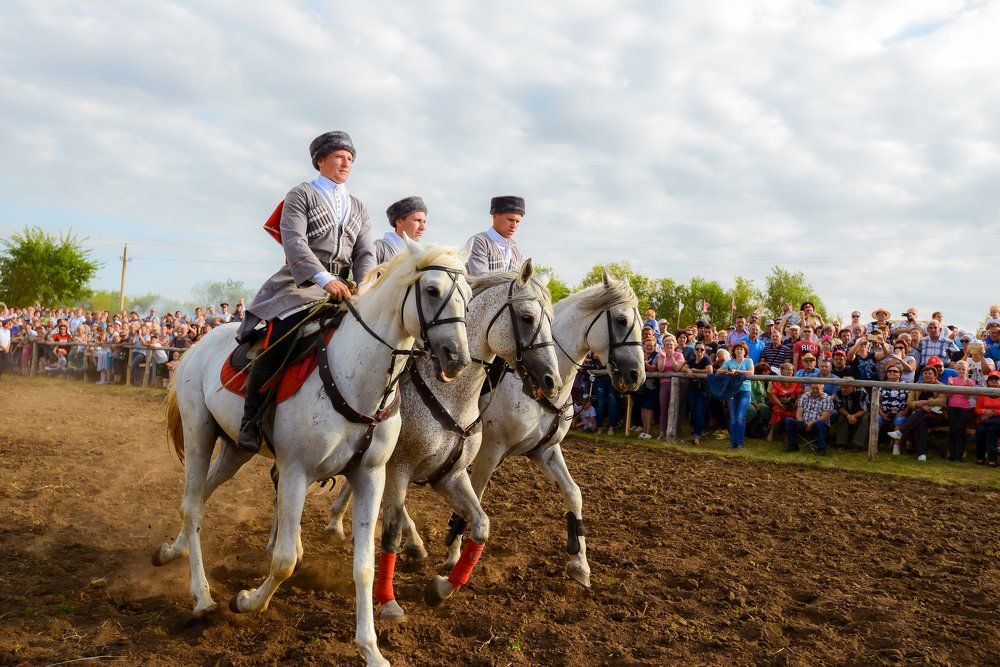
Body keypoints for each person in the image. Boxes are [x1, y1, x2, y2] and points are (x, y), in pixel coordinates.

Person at [234, 131, 373, 453]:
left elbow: (365, 254)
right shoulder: (301, 194)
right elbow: (295, 243)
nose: (346, 163)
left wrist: (365, 286)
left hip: (346, 287)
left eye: (350, 158)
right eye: (339, 156)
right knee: (281, 338)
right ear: (320, 160)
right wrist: (324, 279)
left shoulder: (358, 206)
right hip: (300, 284)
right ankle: (251, 422)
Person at [888, 366, 946, 461]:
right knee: (921, 423)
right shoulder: (916, 386)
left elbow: (942, 401)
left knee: (922, 412)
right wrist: (920, 404)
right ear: (922, 375)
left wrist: (927, 403)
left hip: (937, 416)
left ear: (935, 376)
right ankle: (921, 454)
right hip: (920, 417)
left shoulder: (941, 386)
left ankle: (901, 432)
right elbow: (910, 403)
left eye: (930, 373)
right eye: (925, 373)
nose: (927, 375)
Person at [464, 196, 524, 276]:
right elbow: (481, 280)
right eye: (510, 220)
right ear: (495, 216)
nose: (514, 225)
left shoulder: (516, 251)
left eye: (517, 221)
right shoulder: (479, 242)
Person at [720, 341, 753, 449]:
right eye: (737, 349)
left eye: (741, 349)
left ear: (745, 351)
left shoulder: (748, 360)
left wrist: (738, 372)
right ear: (734, 351)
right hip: (732, 391)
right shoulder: (730, 361)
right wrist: (728, 371)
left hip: (745, 391)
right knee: (733, 417)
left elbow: (751, 372)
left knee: (740, 416)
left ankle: (739, 443)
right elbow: (718, 371)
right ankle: (732, 442)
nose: (739, 351)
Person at [375, 196, 428, 263]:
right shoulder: (378, 250)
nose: (423, 228)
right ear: (399, 222)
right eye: (417, 220)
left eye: (424, 222)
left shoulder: (422, 257)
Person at [784, 383, 833, 455]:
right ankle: (792, 446)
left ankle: (821, 449)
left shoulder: (827, 399)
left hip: (817, 425)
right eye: (813, 388)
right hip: (803, 424)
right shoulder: (805, 396)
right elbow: (799, 411)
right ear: (810, 388)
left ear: (822, 388)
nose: (815, 390)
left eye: (817, 388)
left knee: (821, 423)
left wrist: (811, 423)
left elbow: (824, 416)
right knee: (788, 420)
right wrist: (801, 422)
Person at [656, 335, 689, 440]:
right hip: (664, 384)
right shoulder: (661, 355)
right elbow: (660, 369)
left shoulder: (679, 355)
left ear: (674, 345)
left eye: (671, 345)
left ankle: (674, 431)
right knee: (663, 408)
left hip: (676, 385)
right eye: (666, 345)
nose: (669, 347)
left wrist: (671, 357)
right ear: (664, 346)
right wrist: (665, 357)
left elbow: (677, 368)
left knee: (674, 408)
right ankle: (662, 432)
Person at [945, 360, 975, 462]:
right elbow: (948, 396)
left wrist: (966, 386)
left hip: (964, 409)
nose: (961, 371)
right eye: (959, 369)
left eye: (963, 369)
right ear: (956, 369)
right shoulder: (951, 379)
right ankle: (952, 455)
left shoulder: (970, 382)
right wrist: (950, 386)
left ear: (967, 370)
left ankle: (959, 456)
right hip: (952, 407)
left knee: (961, 431)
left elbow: (967, 397)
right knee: (953, 430)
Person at [686, 342, 714, 445]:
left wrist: (695, 370)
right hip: (692, 389)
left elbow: (709, 370)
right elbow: (683, 368)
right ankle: (696, 431)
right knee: (693, 412)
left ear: (704, 351)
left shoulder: (706, 359)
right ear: (694, 350)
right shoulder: (691, 360)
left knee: (699, 412)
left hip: (703, 390)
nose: (699, 351)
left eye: (702, 349)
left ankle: (697, 437)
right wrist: (688, 369)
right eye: (697, 349)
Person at [768, 362, 802, 442]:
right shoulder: (777, 381)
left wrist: (796, 404)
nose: (790, 371)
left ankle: (787, 434)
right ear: (782, 371)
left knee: (793, 414)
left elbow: (799, 395)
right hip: (779, 403)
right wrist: (780, 404)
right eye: (787, 370)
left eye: (791, 370)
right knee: (777, 412)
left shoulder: (797, 381)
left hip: (792, 405)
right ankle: (771, 432)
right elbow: (774, 395)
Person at [878, 365, 909, 455]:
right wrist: (881, 413)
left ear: (900, 374)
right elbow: (876, 402)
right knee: (876, 419)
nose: (892, 372)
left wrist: (904, 412)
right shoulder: (881, 385)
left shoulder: (906, 385)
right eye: (889, 371)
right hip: (883, 413)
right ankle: (873, 444)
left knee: (899, 421)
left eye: (895, 371)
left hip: (900, 413)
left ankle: (896, 447)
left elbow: (909, 403)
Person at [974, 371, 1000, 466]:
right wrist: (985, 411)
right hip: (985, 419)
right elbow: (977, 409)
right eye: (991, 379)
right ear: (987, 381)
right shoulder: (983, 393)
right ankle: (980, 457)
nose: (993, 381)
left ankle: (992, 459)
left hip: (998, 420)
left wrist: (992, 412)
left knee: (991, 431)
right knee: (980, 430)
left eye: (996, 379)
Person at [833, 384, 869, 451]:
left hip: (860, 412)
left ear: (853, 387)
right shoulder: (838, 391)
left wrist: (854, 416)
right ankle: (841, 444)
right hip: (846, 411)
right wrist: (849, 415)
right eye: (842, 387)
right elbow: (839, 407)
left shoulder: (861, 392)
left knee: (864, 419)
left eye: (846, 388)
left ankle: (857, 445)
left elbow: (863, 409)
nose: (843, 390)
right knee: (841, 417)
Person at [638, 339, 659, 440]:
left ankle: (648, 431)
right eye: (647, 345)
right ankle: (644, 430)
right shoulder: (640, 354)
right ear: (643, 346)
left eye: (651, 345)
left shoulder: (656, 355)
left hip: (652, 385)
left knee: (649, 408)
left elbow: (653, 368)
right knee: (643, 407)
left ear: (655, 346)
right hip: (642, 385)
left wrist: (645, 364)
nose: (649, 347)